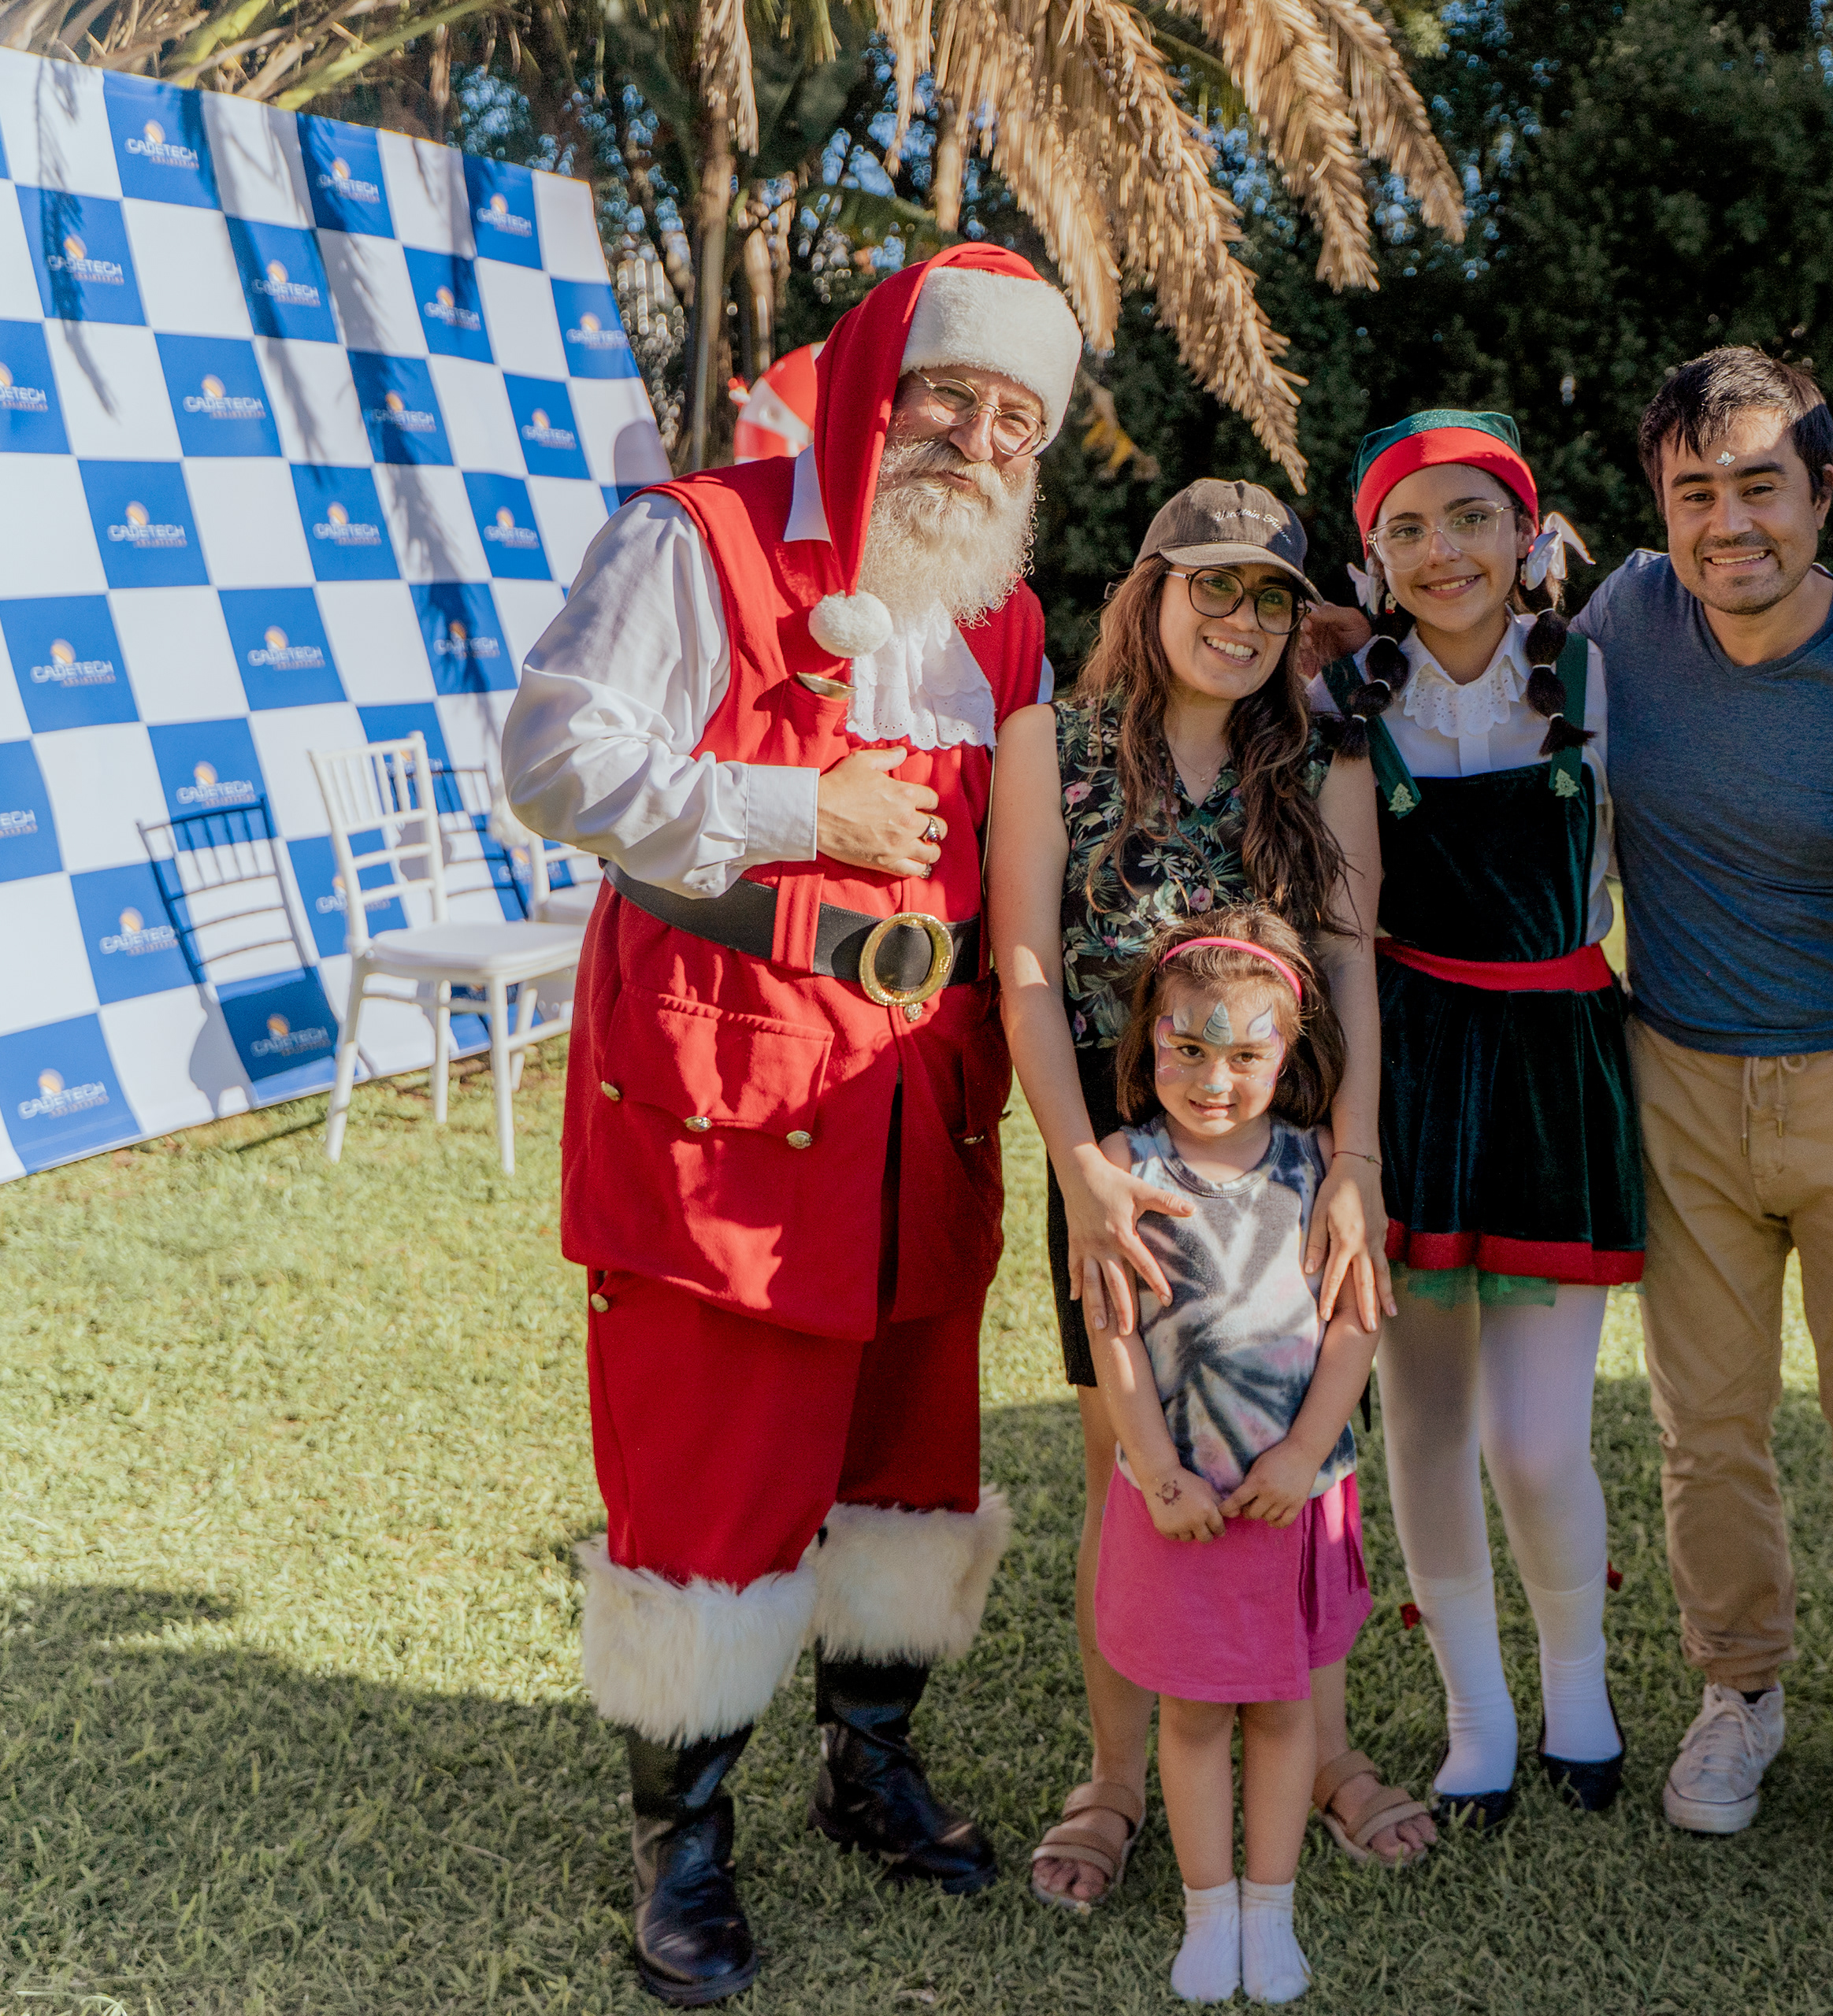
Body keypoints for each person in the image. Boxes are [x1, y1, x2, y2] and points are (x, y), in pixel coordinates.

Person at [499, 243, 1081, 2005]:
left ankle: (865, 1760)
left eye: (1017, 420)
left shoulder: (1005, 615)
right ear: (874, 387)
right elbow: (550, 756)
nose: (977, 442)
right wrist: (792, 807)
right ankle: (679, 1843)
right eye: (948, 397)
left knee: (907, 1437)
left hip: (919, 1091)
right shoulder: (697, 538)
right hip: (724, 1087)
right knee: (715, 1460)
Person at [991, 481, 1434, 1908]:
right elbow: (1026, 971)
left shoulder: (1323, 757)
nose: (1241, 619)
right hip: (1118, 1159)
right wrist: (1082, 1172)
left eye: (1269, 598)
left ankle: (1327, 1750)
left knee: (1304, 1454)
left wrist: (1355, 1167)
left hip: (1289, 1156)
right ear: (1152, 592)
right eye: (1214, 586)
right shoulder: (1047, 746)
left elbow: (1349, 965)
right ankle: (1117, 1779)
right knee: (1130, 1466)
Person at [1569, 347, 1833, 1852]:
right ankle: (1739, 1690)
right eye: (1696, 492)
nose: (1728, 522)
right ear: (1660, 506)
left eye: (1760, 486)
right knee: (1708, 1426)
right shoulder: (1623, 621)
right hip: (1677, 1074)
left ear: (1822, 491)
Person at [1315, 411, 1640, 1822]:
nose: (1441, 551)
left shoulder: (1602, 680)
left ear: (1525, 532)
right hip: (1412, 1074)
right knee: (1428, 1422)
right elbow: (1342, 934)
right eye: (1407, 528)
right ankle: (1478, 1714)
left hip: (1558, 1072)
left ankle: (1581, 1689)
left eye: (1470, 518)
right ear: (1373, 558)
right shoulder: (1343, 705)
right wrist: (1356, 1140)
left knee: (1539, 1439)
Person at [1084, 914, 1380, 2004]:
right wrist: (1157, 1468)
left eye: (1248, 1054)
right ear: (1150, 1039)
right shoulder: (1125, 1169)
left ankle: (1271, 1906)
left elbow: (1354, 1325)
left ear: (1289, 1054)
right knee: (1197, 1713)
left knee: (1287, 1708)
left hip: (1288, 1498)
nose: (1216, 1080)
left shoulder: (1318, 1171)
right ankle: (1209, 1911)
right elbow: (1113, 1333)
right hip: (1183, 1500)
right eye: (1191, 1049)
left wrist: (1304, 1451)